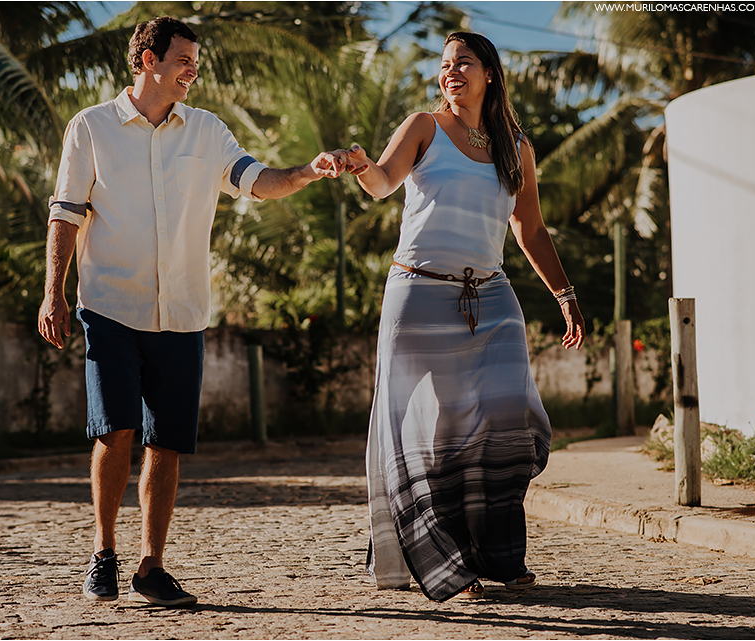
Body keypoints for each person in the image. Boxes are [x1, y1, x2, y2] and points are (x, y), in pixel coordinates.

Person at [38, 16, 346, 608]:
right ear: (146, 59)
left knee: (168, 442)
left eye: (193, 61)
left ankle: (152, 566)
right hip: (108, 306)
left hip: (182, 311)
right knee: (116, 429)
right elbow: (66, 212)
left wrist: (310, 170)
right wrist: (53, 290)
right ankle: (103, 552)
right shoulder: (91, 128)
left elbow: (256, 181)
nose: (192, 69)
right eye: (182, 58)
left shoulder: (207, 131)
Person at [340, 32, 585, 602]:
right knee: (427, 433)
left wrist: (565, 293)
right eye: (445, 64)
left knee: (504, 426)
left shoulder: (515, 146)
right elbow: (381, 183)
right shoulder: (424, 126)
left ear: (490, 74)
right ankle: (447, 561)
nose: (451, 72)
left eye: (464, 63)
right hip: (418, 293)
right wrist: (359, 165)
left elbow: (530, 228)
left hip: (492, 299)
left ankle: (502, 556)